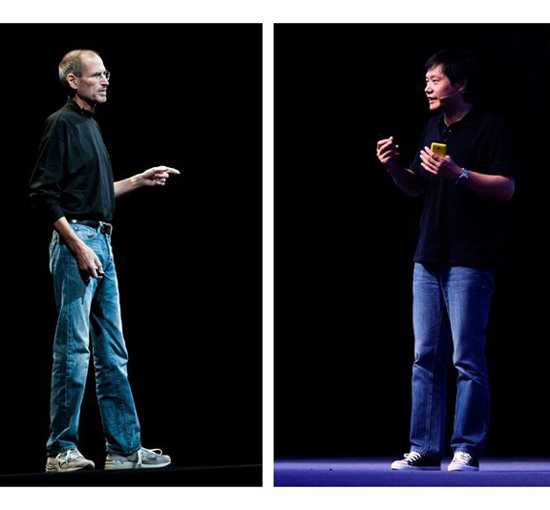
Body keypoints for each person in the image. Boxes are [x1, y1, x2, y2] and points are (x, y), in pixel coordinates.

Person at [29, 49, 180, 473]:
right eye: (96, 75)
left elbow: (94, 193)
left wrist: (138, 180)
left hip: (102, 241)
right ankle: (60, 450)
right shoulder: (60, 124)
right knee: (73, 348)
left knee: (113, 351)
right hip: (77, 241)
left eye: (106, 74)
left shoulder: (90, 126)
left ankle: (124, 448)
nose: (105, 80)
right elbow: (42, 194)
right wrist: (78, 245)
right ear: (73, 80)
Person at [376, 48, 516, 471]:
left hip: (470, 259)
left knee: (466, 358)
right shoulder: (432, 127)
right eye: (426, 80)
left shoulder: (490, 127)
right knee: (425, 357)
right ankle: (424, 447)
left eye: (435, 80)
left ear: (460, 84)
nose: (427, 87)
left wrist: (460, 174)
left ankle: (466, 447)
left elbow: (507, 187)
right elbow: (417, 186)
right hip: (428, 256)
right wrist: (393, 167)